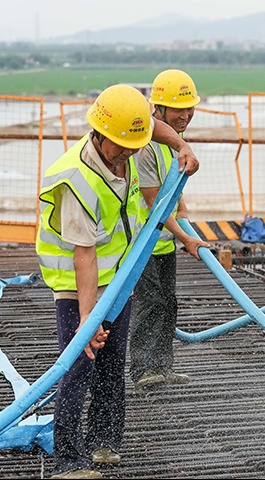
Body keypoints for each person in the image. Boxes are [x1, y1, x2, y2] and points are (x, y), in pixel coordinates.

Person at [36, 84, 199, 479]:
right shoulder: (77, 179)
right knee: (79, 365)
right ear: (98, 133)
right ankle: (68, 461)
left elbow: (153, 127)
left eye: (133, 144)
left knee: (111, 364)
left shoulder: (127, 134)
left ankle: (105, 442)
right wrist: (89, 320)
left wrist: (182, 146)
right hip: (77, 285)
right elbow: (84, 256)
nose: (127, 152)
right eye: (120, 146)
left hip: (119, 277)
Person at [129, 69, 210, 390]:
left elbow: (169, 192)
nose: (186, 115)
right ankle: (144, 369)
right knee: (149, 302)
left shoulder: (171, 146)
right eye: (179, 109)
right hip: (143, 240)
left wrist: (184, 207)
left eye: (190, 109)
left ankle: (163, 366)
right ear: (158, 110)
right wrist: (188, 238)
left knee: (167, 302)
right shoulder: (147, 146)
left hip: (162, 241)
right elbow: (154, 206)